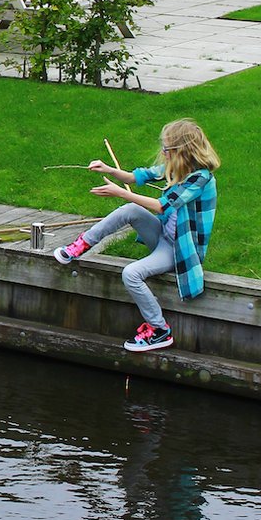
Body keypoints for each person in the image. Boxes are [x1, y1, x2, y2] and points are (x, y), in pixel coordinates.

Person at [53, 119, 220, 353]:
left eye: (167, 149)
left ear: (182, 151)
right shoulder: (179, 167)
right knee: (130, 211)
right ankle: (80, 246)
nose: (163, 153)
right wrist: (109, 170)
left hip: (178, 250)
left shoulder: (200, 179)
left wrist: (120, 193)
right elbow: (136, 177)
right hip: (163, 236)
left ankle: (159, 330)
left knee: (131, 273)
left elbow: (162, 206)